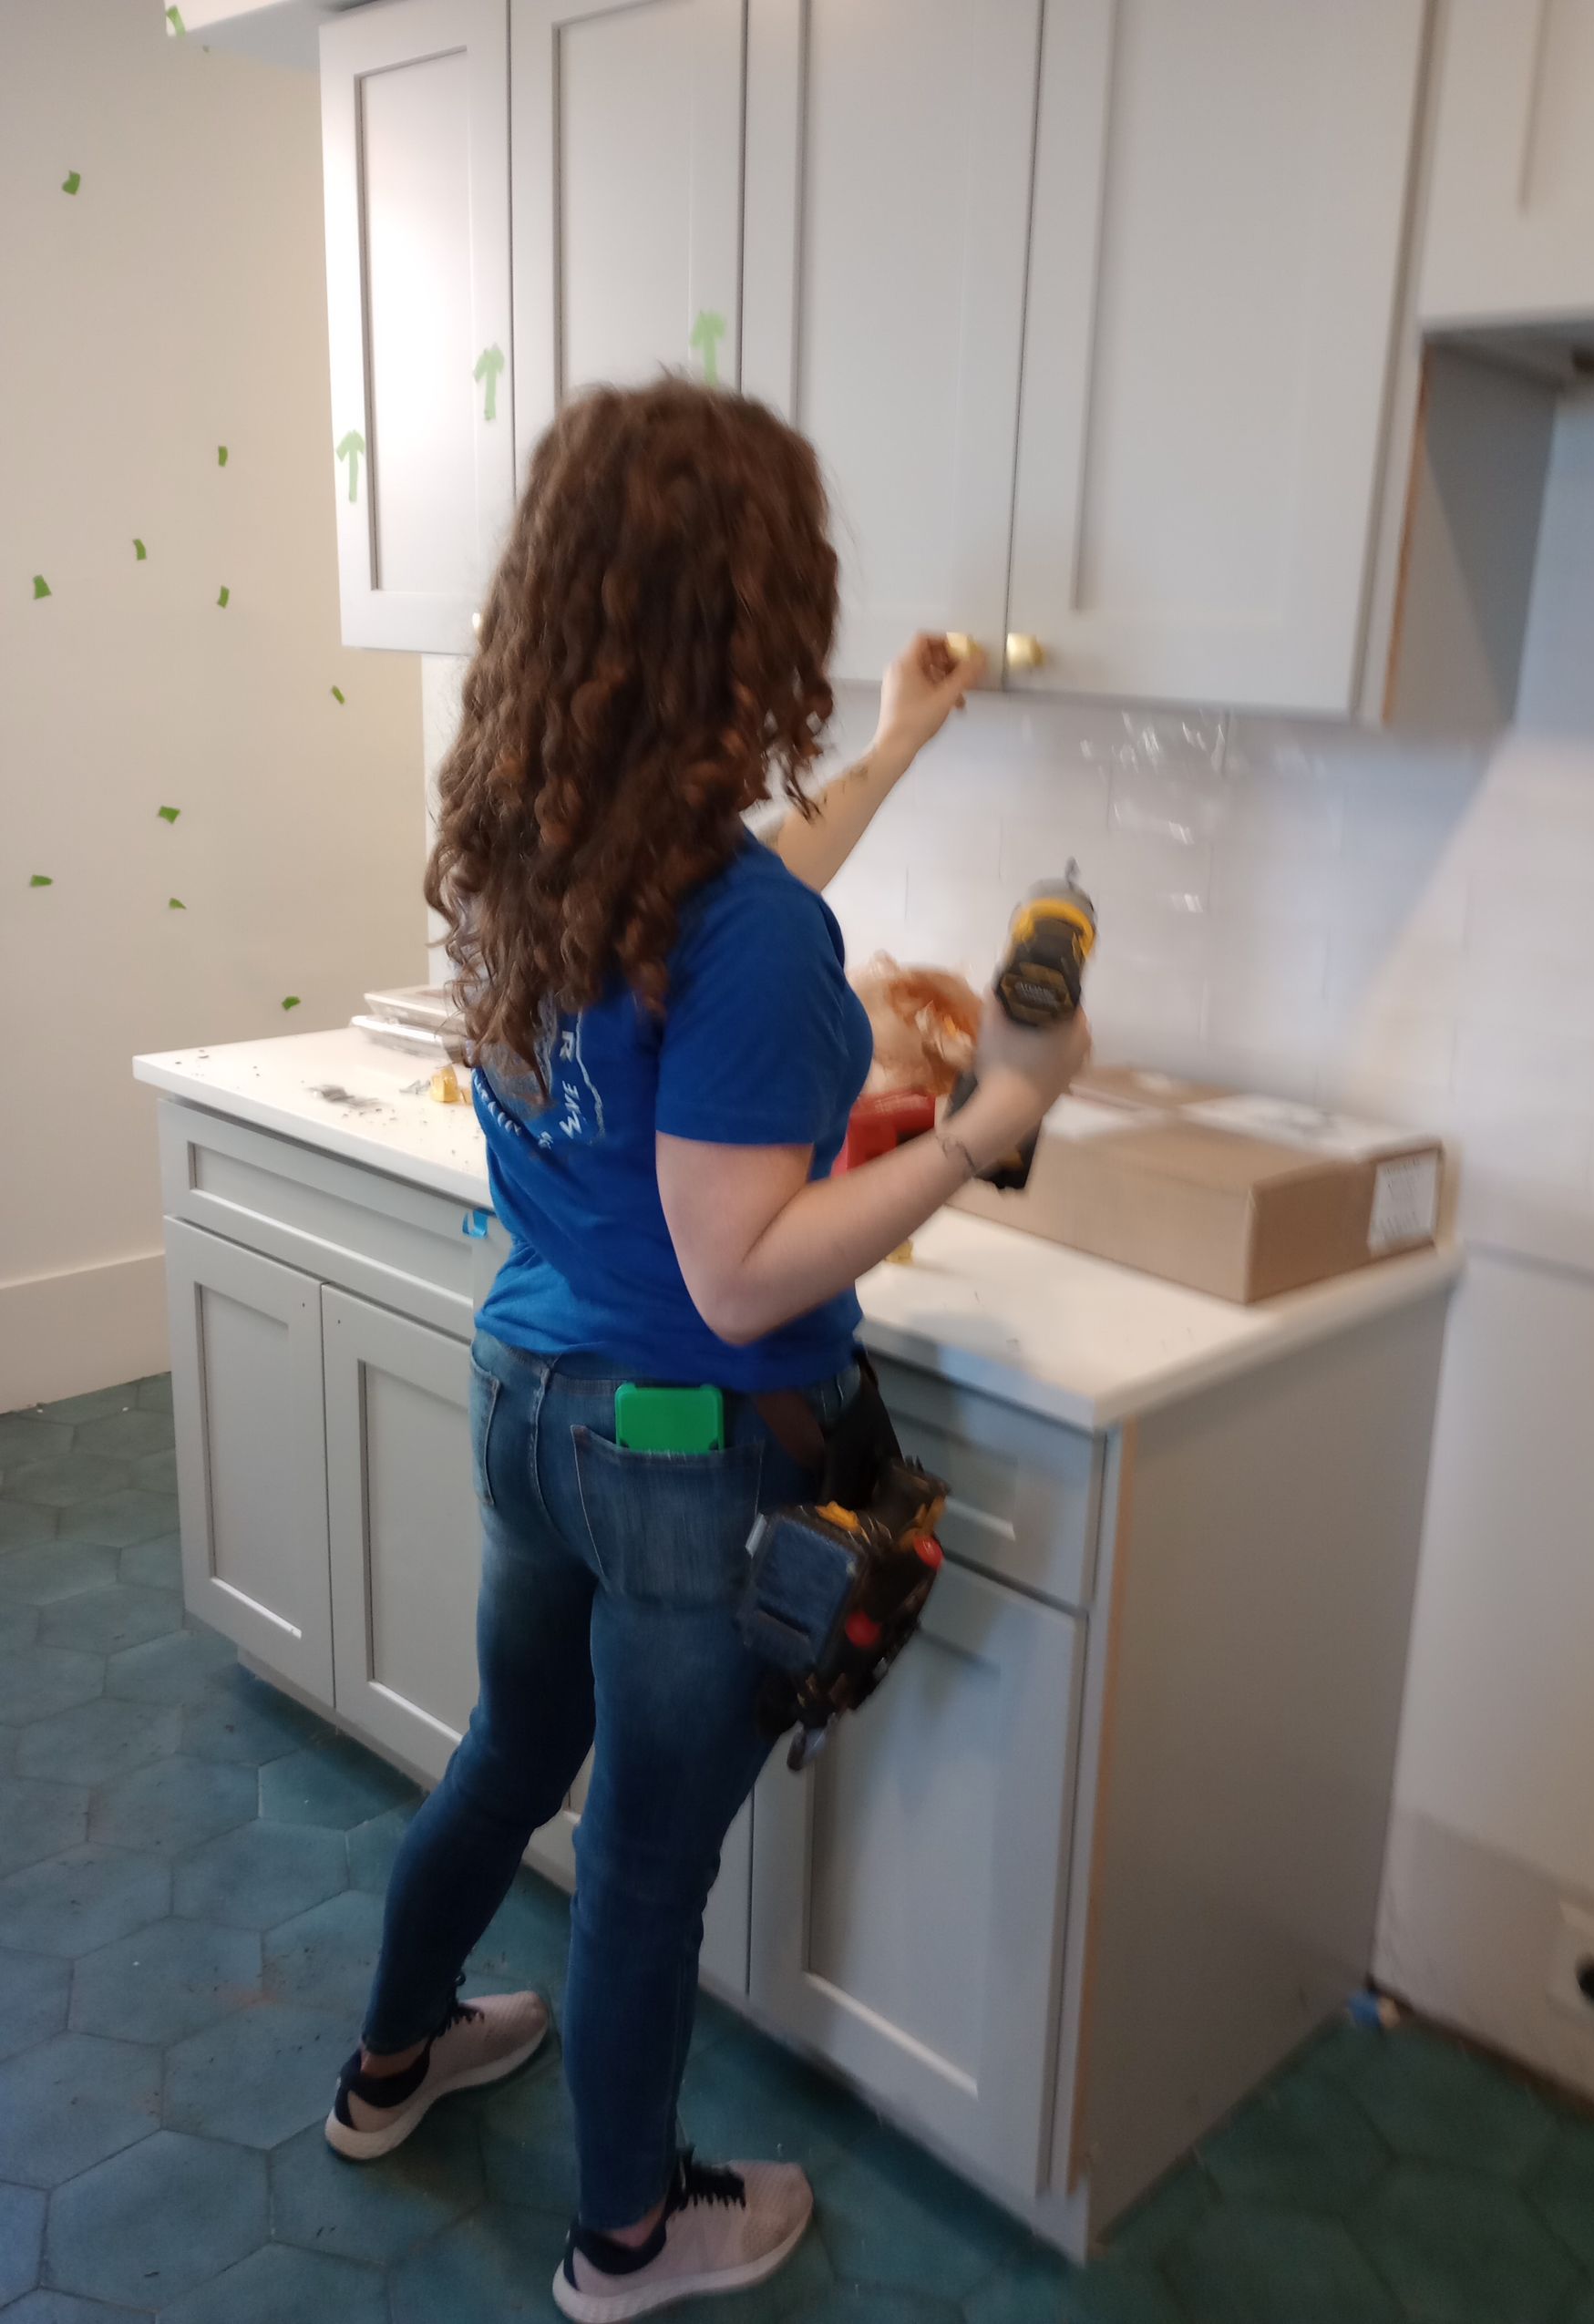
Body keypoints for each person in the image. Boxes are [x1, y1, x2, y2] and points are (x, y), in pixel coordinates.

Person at [325, 378, 1089, 2322]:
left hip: (530, 1397)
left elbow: (736, 906)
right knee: (645, 1870)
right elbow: (743, 1273)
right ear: (754, 616)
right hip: (683, 1447)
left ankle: (392, 2070)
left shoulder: (532, 829)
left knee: (509, 1754)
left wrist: (909, 745)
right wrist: (990, 1126)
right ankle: (630, 2241)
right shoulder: (732, 928)